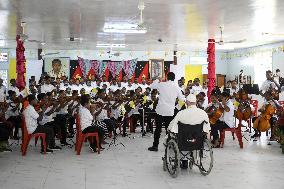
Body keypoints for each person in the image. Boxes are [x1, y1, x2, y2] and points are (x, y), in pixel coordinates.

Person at [148, 72, 184, 152]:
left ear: (167, 77)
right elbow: (182, 99)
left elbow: (151, 86)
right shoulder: (177, 87)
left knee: (158, 129)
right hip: (170, 111)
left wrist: (158, 80)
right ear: (174, 78)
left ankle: (155, 146)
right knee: (169, 130)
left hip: (160, 110)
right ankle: (170, 145)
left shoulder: (162, 84)